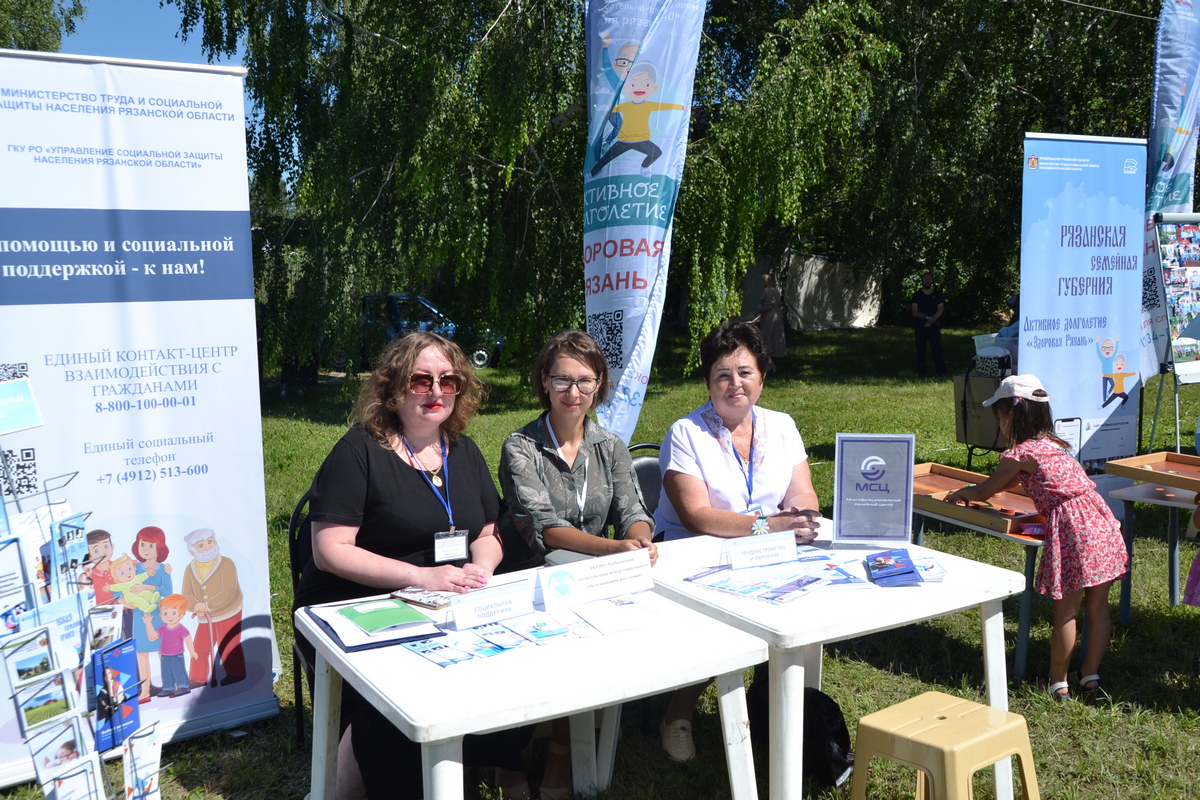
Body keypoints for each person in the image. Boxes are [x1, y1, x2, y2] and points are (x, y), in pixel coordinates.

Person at [294, 331, 529, 800]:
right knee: (396, 687)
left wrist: (480, 570)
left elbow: (488, 531)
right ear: (394, 387)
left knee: (516, 655)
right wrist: (420, 577)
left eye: (448, 380)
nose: (436, 391)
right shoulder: (360, 450)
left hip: (442, 594)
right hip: (357, 596)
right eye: (421, 380)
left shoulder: (461, 450)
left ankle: (487, 756)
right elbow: (330, 550)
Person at [498, 329, 656, 799]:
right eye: (562, 380)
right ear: (544, 382)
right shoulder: (520, 447)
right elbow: (543, 531)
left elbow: (633, 511)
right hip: (529, 578)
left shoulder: (609, 446)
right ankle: (510, 758)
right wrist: (615, 551)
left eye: (585, 382)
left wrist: (640, 541)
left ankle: (564, 751)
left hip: (592, 577)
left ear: (600, 384)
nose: (574, 393)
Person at [654, 319, 821, 760]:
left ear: (762, 376)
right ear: (708, 380)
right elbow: (697, 516)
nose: (735, 384)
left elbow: (802, 491)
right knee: (719, 628)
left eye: (745, 372)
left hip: (771, 551)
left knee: (807, 607)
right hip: (693, 556)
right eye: (722, 374)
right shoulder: (685, 433)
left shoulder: (782, 425)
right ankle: (678, 714)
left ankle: (782, 708)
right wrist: (770, 525)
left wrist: (803, 517)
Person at [946, 375, 1128, 700]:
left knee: (1067, 611)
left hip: (1074, 528)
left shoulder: (1019, 454)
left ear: (1012, 416)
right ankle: (1090, 675)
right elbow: (1034, 483)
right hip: (1101, 521)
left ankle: (1057, 683)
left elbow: (988, 489)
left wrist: (964, 492)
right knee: (1099, 608)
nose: (1000, 423)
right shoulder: (1056, 447)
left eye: (999, 416)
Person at [181, 527, 246, 688]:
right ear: (192, 551)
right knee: (200, 647)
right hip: (204, 615)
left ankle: (236, 673)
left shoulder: (226, 564)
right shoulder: (190, 569)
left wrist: (209, 605)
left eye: (210, 542)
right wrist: (195, 605)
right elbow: (186, 593)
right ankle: (198, 677)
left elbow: (228, 590)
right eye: (201, 545)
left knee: (228, 643)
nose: (208, 547)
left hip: (228, 611)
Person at [130, 526, 173, 704]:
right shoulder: (134, 567)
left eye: (150, 545)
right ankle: (145, 691)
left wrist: (147, 587)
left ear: (159, 547)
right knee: (141, 654)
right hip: (139, 616)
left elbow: (169, 592)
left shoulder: (164, 569)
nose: (146, 549)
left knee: (163, 651)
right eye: (142, 544)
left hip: (158, 615)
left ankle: (172, 685)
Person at [911, 270, 947, 378]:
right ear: (922, 281)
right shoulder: (917, 295)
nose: (927, 281)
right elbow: (915, 311)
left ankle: (941, 372)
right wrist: (926, 318)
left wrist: (931, 320)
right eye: (925, 279)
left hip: (934, 326)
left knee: (937, 349)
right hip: (920, 326)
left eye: (929, 279)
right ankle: (922, 373)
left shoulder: (938, 294)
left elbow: (940, 310)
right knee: (920, 349)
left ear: (932, 281)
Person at [757, 273, 786, 362]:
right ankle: (772, 358)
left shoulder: (768, 291)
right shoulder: (776, 291)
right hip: (776, 316)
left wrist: (760, 310)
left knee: (767, 336)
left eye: (763, 280)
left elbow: (770, 306)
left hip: (770, 316)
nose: (762, 282)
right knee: (774, 336)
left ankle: (768, 358)